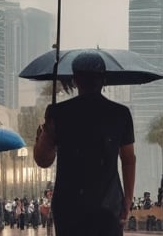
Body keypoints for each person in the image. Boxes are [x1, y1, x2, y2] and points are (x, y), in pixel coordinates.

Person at [34, 50, 136, 236]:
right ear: (104, 80)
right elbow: (128, 159)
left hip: (69, 204)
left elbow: (43, 160)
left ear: (75, 79)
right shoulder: (120, 114)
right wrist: (128, 198)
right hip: (108, 202)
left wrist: (46, 131)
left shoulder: (59, 113)